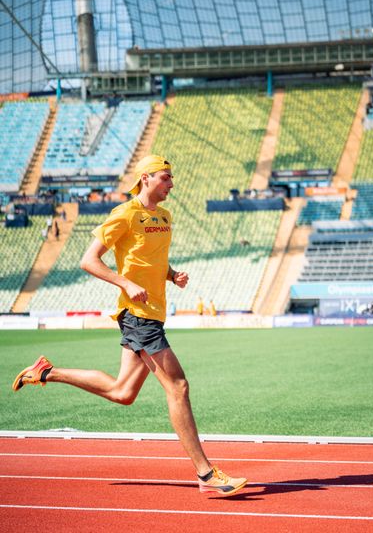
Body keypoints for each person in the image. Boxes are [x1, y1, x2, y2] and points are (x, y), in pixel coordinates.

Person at [12, 155, 247, 497]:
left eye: (171, 177)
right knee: (178, 387)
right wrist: (124, 283)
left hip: (152, 313)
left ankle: (47, 372)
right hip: (138, 315)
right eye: (166, 177)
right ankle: (207, 474)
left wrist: (171, 274)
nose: (171, 183)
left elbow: (150, 257)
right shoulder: (124, 213)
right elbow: (88, 260)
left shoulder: (164, 216)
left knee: (123, 393)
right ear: (146, 179)